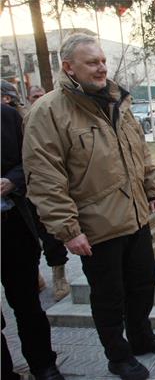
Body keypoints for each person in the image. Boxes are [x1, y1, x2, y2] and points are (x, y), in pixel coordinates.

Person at [22, 33, 155, 380]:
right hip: (95, 225)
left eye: (103, 60)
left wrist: (151, 188)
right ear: (69, 67)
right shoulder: (47, 112)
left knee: (143, 283)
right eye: (92, 62)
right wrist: (69, 230)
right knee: (109, 296)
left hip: (135, 214)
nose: (102, 67)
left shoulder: (117, 101)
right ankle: (118, 356)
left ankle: (141, 337)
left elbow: (139, 149)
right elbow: (45, 178)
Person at [2, 103, 65, 380]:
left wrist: (12, 181)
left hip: (12, 229)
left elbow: (30, 160)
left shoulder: (7, 115)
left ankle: (44, 366)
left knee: (27, 304)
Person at [2, 81, 70, 300]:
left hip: (39, 187)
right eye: (34, 97)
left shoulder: (20, 118)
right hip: (20, 195)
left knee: (50, 234)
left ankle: (58, 275)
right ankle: (35, 274)